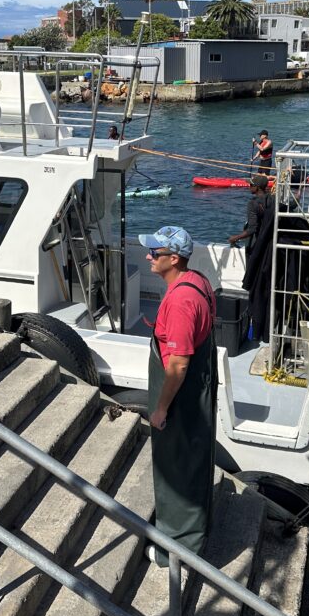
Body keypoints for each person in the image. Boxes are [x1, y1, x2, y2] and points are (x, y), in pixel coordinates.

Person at [138, 225, 217, 567]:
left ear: (173, 258)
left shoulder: (182, 302)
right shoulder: (197, 281)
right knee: (194, 458)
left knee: (177, 466)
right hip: (197, 389)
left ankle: (177, 546)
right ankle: (191, 530)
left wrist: (159, 409)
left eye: (154, 253)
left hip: (181, 396)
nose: (148, 257)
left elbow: (179, 366)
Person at [228, 174, 273, 252]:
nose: (249, 186)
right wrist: (298, 196)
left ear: (257, 188)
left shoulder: (252, 204)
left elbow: (252, 229)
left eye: (251, 185)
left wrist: (235, 238)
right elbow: (290, 205)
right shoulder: (272, 199)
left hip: (257, 243)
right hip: (269, 241)